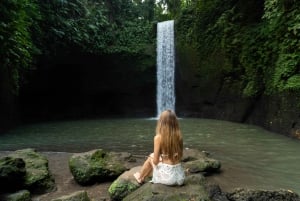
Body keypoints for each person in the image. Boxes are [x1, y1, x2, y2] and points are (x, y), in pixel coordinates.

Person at [134, 109, 185, 186]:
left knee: (151, 157)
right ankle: (142, 176)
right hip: (180, 178)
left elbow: (155, 161)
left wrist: (160, 159)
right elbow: (180, 156)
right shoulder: (179, 136)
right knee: (156, 157)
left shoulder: (158, 137)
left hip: (168, 179)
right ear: (175, 122)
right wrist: (164, 158)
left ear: (161, 122)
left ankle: (140, 177)